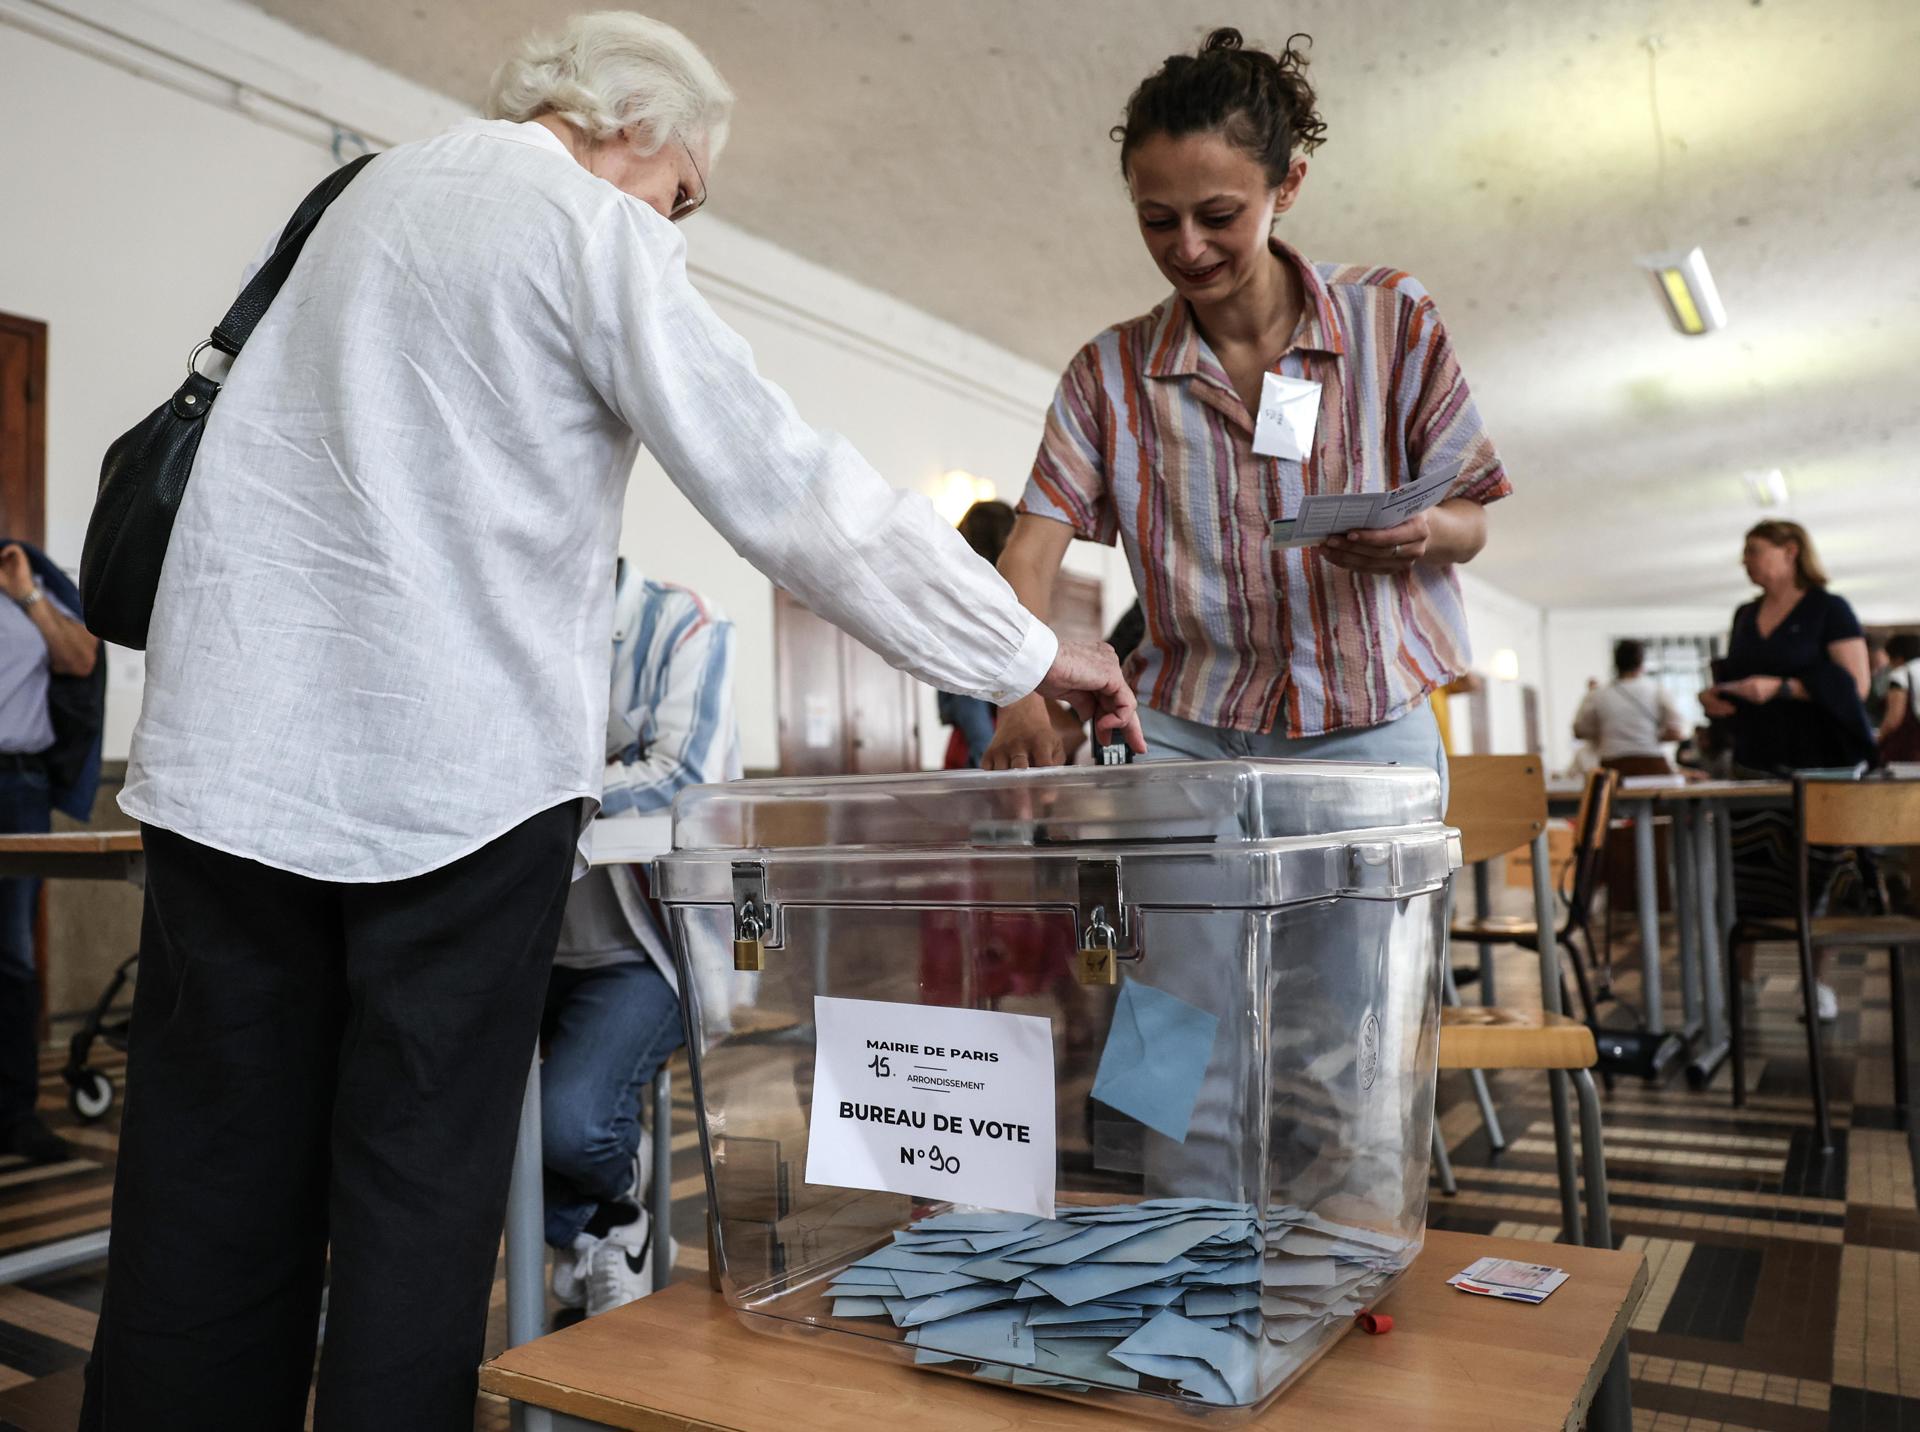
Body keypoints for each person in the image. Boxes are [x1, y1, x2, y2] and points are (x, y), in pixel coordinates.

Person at [82, 14, 1139, 1430]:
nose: (680, 229)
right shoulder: (589, 227)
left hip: (229, 773)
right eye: (686, 195)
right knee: (413, 1207)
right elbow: (786, 483)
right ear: (626, 125)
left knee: (204, 1198)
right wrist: (1017, 649)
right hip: (452, 788)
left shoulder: (356, 200)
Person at [984, 29, 1507, 803]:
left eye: (1218, 214)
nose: (1188, 249)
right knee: (1182, 930)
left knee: (1363, 932)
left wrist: (1425, 532)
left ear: (1287, 186)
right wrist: (1019, 693)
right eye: (1158, 220)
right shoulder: (1107, 375)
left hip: (1369, 731)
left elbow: (1473, 517)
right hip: (1184, 734)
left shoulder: (1391, 321)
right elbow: (1027, 555)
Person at [545, 561, 737, 1317]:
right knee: (443, 1109)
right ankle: (601, 1232)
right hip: (518, 938)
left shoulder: (683, 622)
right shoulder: (484, 610)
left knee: (574, 1125)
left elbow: (684, 778)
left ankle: (610, 1214)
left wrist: (529, 786)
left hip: (646, 945)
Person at [1702, 520, 1873, 1022]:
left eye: (1755, 551)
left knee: (1817, 877)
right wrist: (1719, 698)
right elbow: (1738, 676)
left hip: (1822, 768)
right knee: (1748, 876)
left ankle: (1814, 985)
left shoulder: (1829, 609)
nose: (1746, 561)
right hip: (1756, 764)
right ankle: (1742, 983)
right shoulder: (1745, 614)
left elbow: (1855, 686)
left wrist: (1781, 689)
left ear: (1790, 551)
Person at [0, 541, 102, 1166]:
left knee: (11, 956)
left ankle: (14, 1116)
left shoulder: (28, 576)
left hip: (18, 787)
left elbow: (82, 659)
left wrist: (27, 594)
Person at [1572, 640, 1685, 769]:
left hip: (1613, 763)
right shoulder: (1656, 690)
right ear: (1641, 662)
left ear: (1616, 663)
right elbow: (1676, 731)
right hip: (1651, 762)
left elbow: (1579, 730)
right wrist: (1653, 735)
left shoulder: (1597, 694)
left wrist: (1606, 733)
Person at [1876, 633, 1920, 763]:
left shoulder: (1900, 675)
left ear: (1898, 657)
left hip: (1911, 745)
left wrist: (1878, 738)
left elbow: (1893, 719)